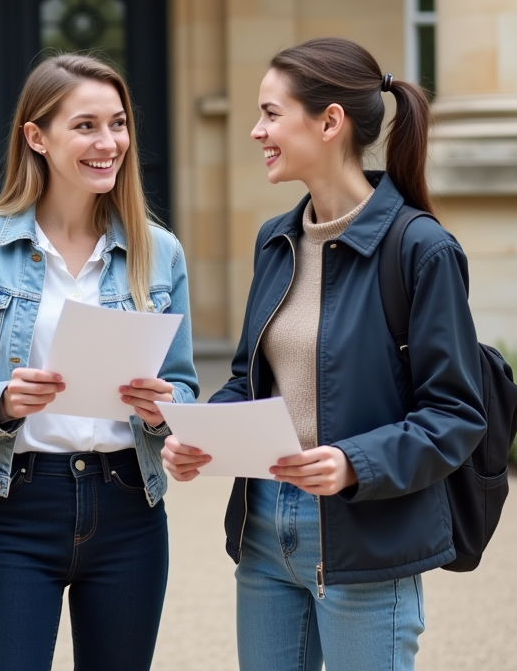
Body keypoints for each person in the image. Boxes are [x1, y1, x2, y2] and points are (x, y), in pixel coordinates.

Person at [163, 37, 486, 671]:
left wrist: (351, 463)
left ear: (330, 121)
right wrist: (200, 434)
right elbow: (248, 380)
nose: (257, 131)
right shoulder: (276, 240)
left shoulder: (422, 249)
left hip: (364, 537)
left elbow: (456, 414)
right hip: (263, 532)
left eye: (271, 114)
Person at [0, 53, 199, 671]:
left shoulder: (161, 252)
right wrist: (0, 402)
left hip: (130, 505)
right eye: (86, 126)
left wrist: (163, 410)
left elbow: (181, 386)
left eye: (119, 123)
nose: (109, 143)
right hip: (16, 505)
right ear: (36, 137)